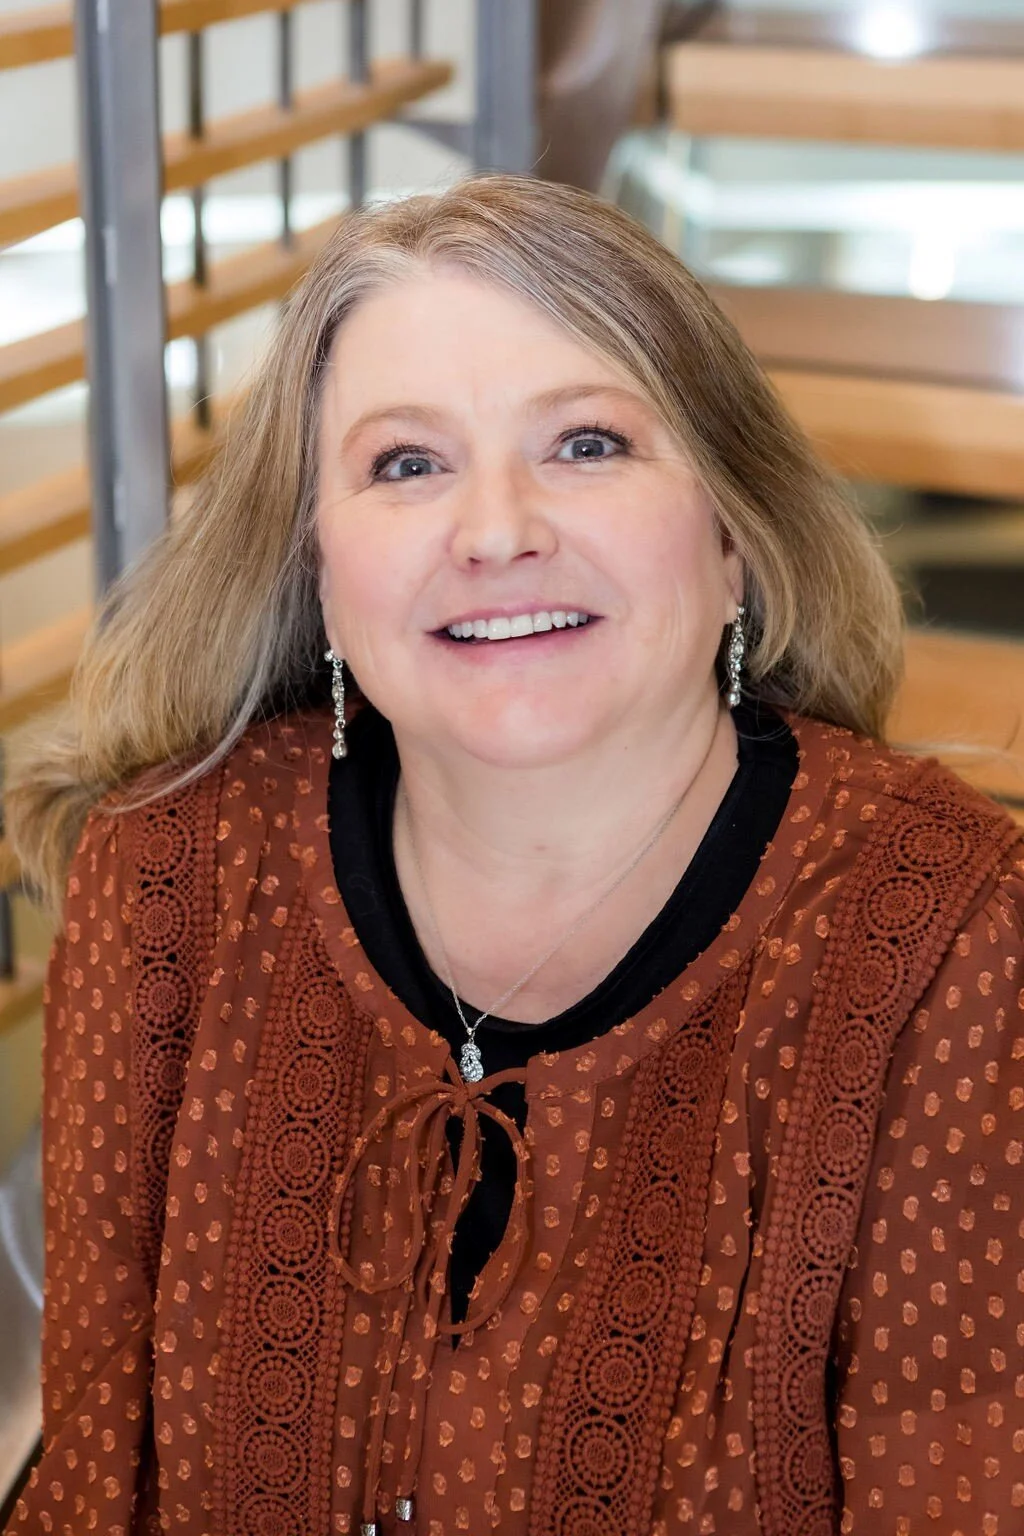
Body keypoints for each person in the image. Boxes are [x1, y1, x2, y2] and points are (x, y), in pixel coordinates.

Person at [5, 174, 1023, 1536]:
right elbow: (90, 1476)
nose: (495, 532)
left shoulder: (949, 935)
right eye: (406, 464)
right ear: (320, 572)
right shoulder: (173, 873)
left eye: (588, 444)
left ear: (732, 537)